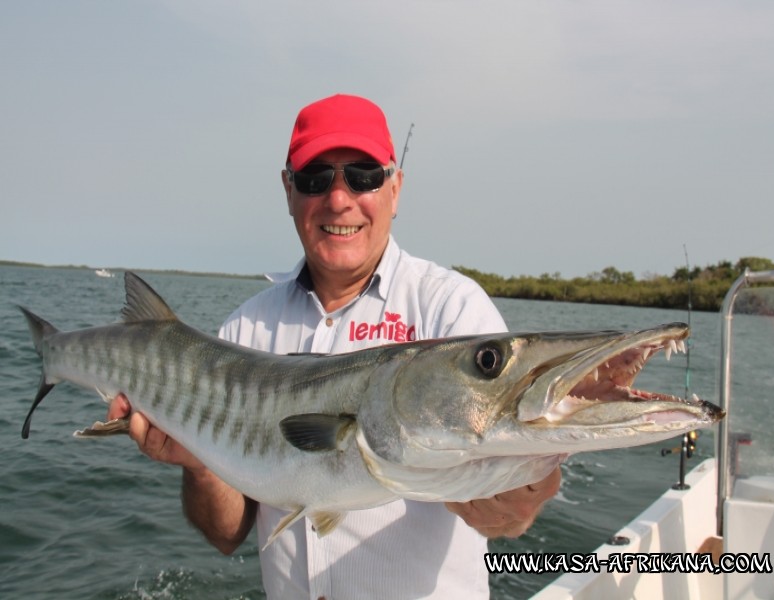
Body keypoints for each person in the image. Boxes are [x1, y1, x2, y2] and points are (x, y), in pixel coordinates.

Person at [109, 93, 562, 599]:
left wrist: (526, 490)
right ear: (288, 190)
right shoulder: (245, 329)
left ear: (395, 188)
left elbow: (509, 510)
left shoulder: (451, 310)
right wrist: (198, 463)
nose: (339, 199)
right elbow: (226, 533)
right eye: (314, 179)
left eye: (364, 175)